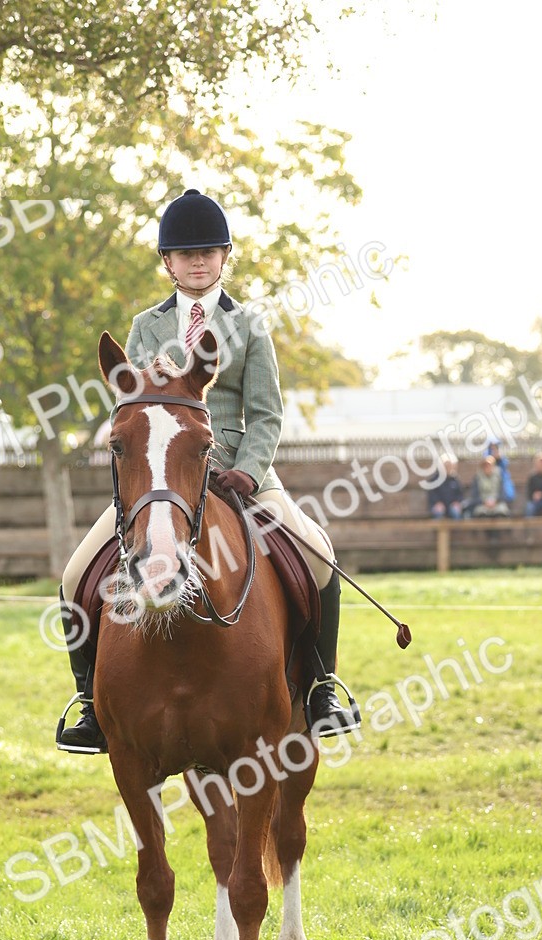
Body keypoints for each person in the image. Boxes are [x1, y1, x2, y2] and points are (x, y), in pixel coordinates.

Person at [57, 188, 359, 753]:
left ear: (224, 257)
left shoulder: (250, 324)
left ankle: (322, 688)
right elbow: (137, 407)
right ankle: (91, 704)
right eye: (185, 254)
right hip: (164, 479)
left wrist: (247, 469)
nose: (198, 262)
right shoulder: (145, 325)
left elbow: (267, 412)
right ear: (167, 263)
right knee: (77, 574)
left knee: (318, 554)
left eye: (208, 252)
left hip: (244, 476)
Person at [426, 455, 463, 519]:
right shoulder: (434, 479)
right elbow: (432, 494)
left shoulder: (455, 479)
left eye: (451, 466)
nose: (449, 468)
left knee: (456, 511)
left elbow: (459, 494)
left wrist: (457, 502)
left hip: (451, 506)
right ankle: (437, 529)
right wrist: (437, 502)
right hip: (438, 505)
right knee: (438, 512)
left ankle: (456, 529)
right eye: (447, 466)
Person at [485, 439, 515, 505]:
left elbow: (504, 470)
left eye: (495, 447)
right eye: (492, 448)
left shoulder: (502, 459)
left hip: (501, 485)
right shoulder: (486, 457)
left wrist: (499, 459)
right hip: (489, 487)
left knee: (507, 493)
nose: (494, 450)